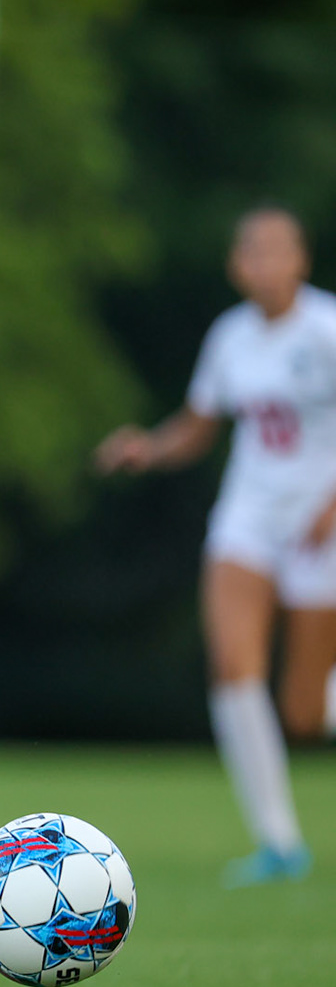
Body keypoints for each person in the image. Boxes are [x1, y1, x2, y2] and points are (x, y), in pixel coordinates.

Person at [96, 206, 328, 887]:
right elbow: (198, 427)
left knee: (305, 714)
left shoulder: (326, 329)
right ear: (235, 265)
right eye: (249, 251)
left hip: (321, 524)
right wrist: (148, 447)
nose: (262, 263)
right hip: (249, 517)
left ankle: (285, 823)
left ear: (301, 260)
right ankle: (279, 843)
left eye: (275, 250)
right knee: (232, 664)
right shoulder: (230, 336)